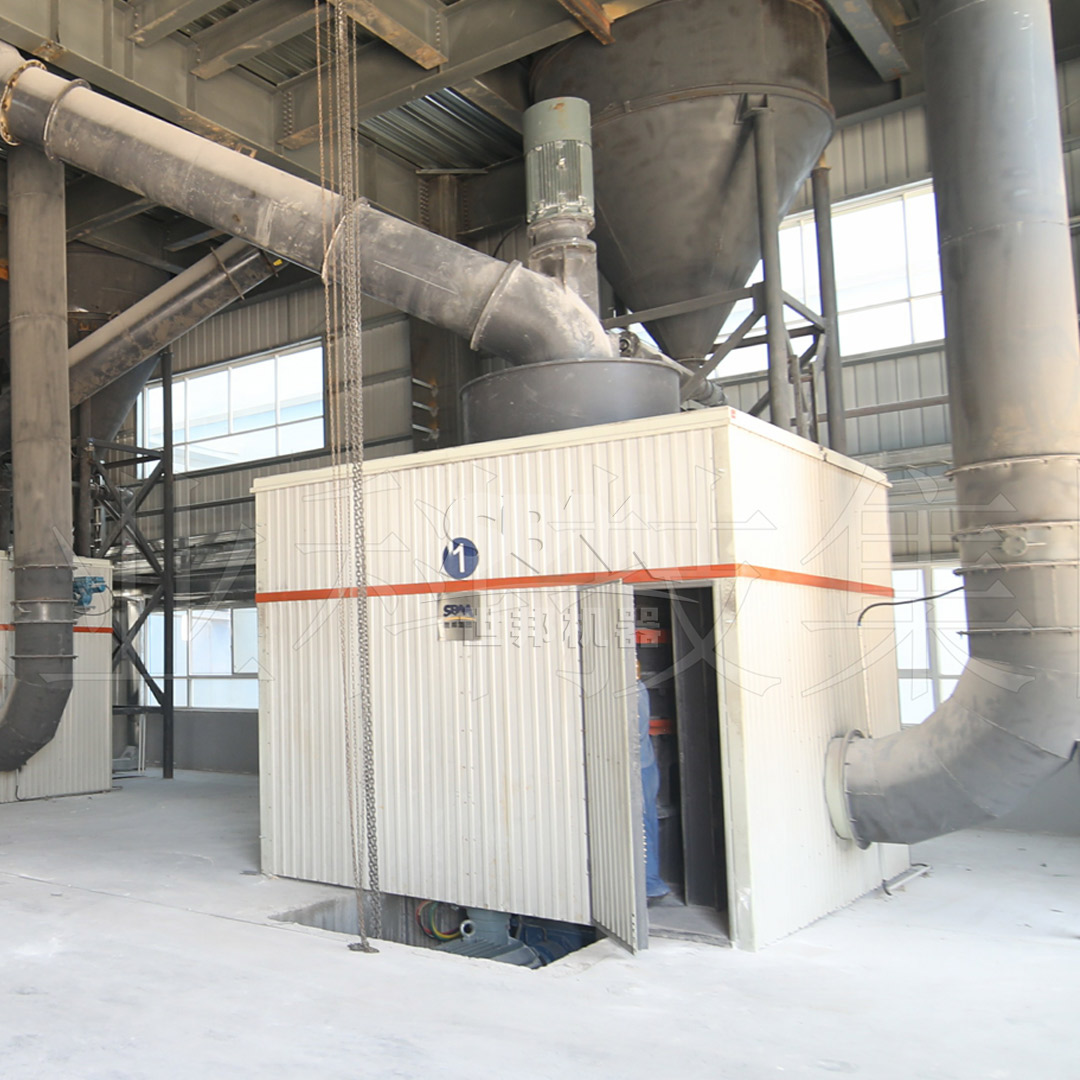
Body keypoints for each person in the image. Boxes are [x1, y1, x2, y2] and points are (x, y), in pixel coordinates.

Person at [638, 669, 670, 902]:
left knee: (641, 826)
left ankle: (650, 885)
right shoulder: (634, 688)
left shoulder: (630, 691)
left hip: (638, 767)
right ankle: (649, 883)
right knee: (643, 823)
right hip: (643, 765)